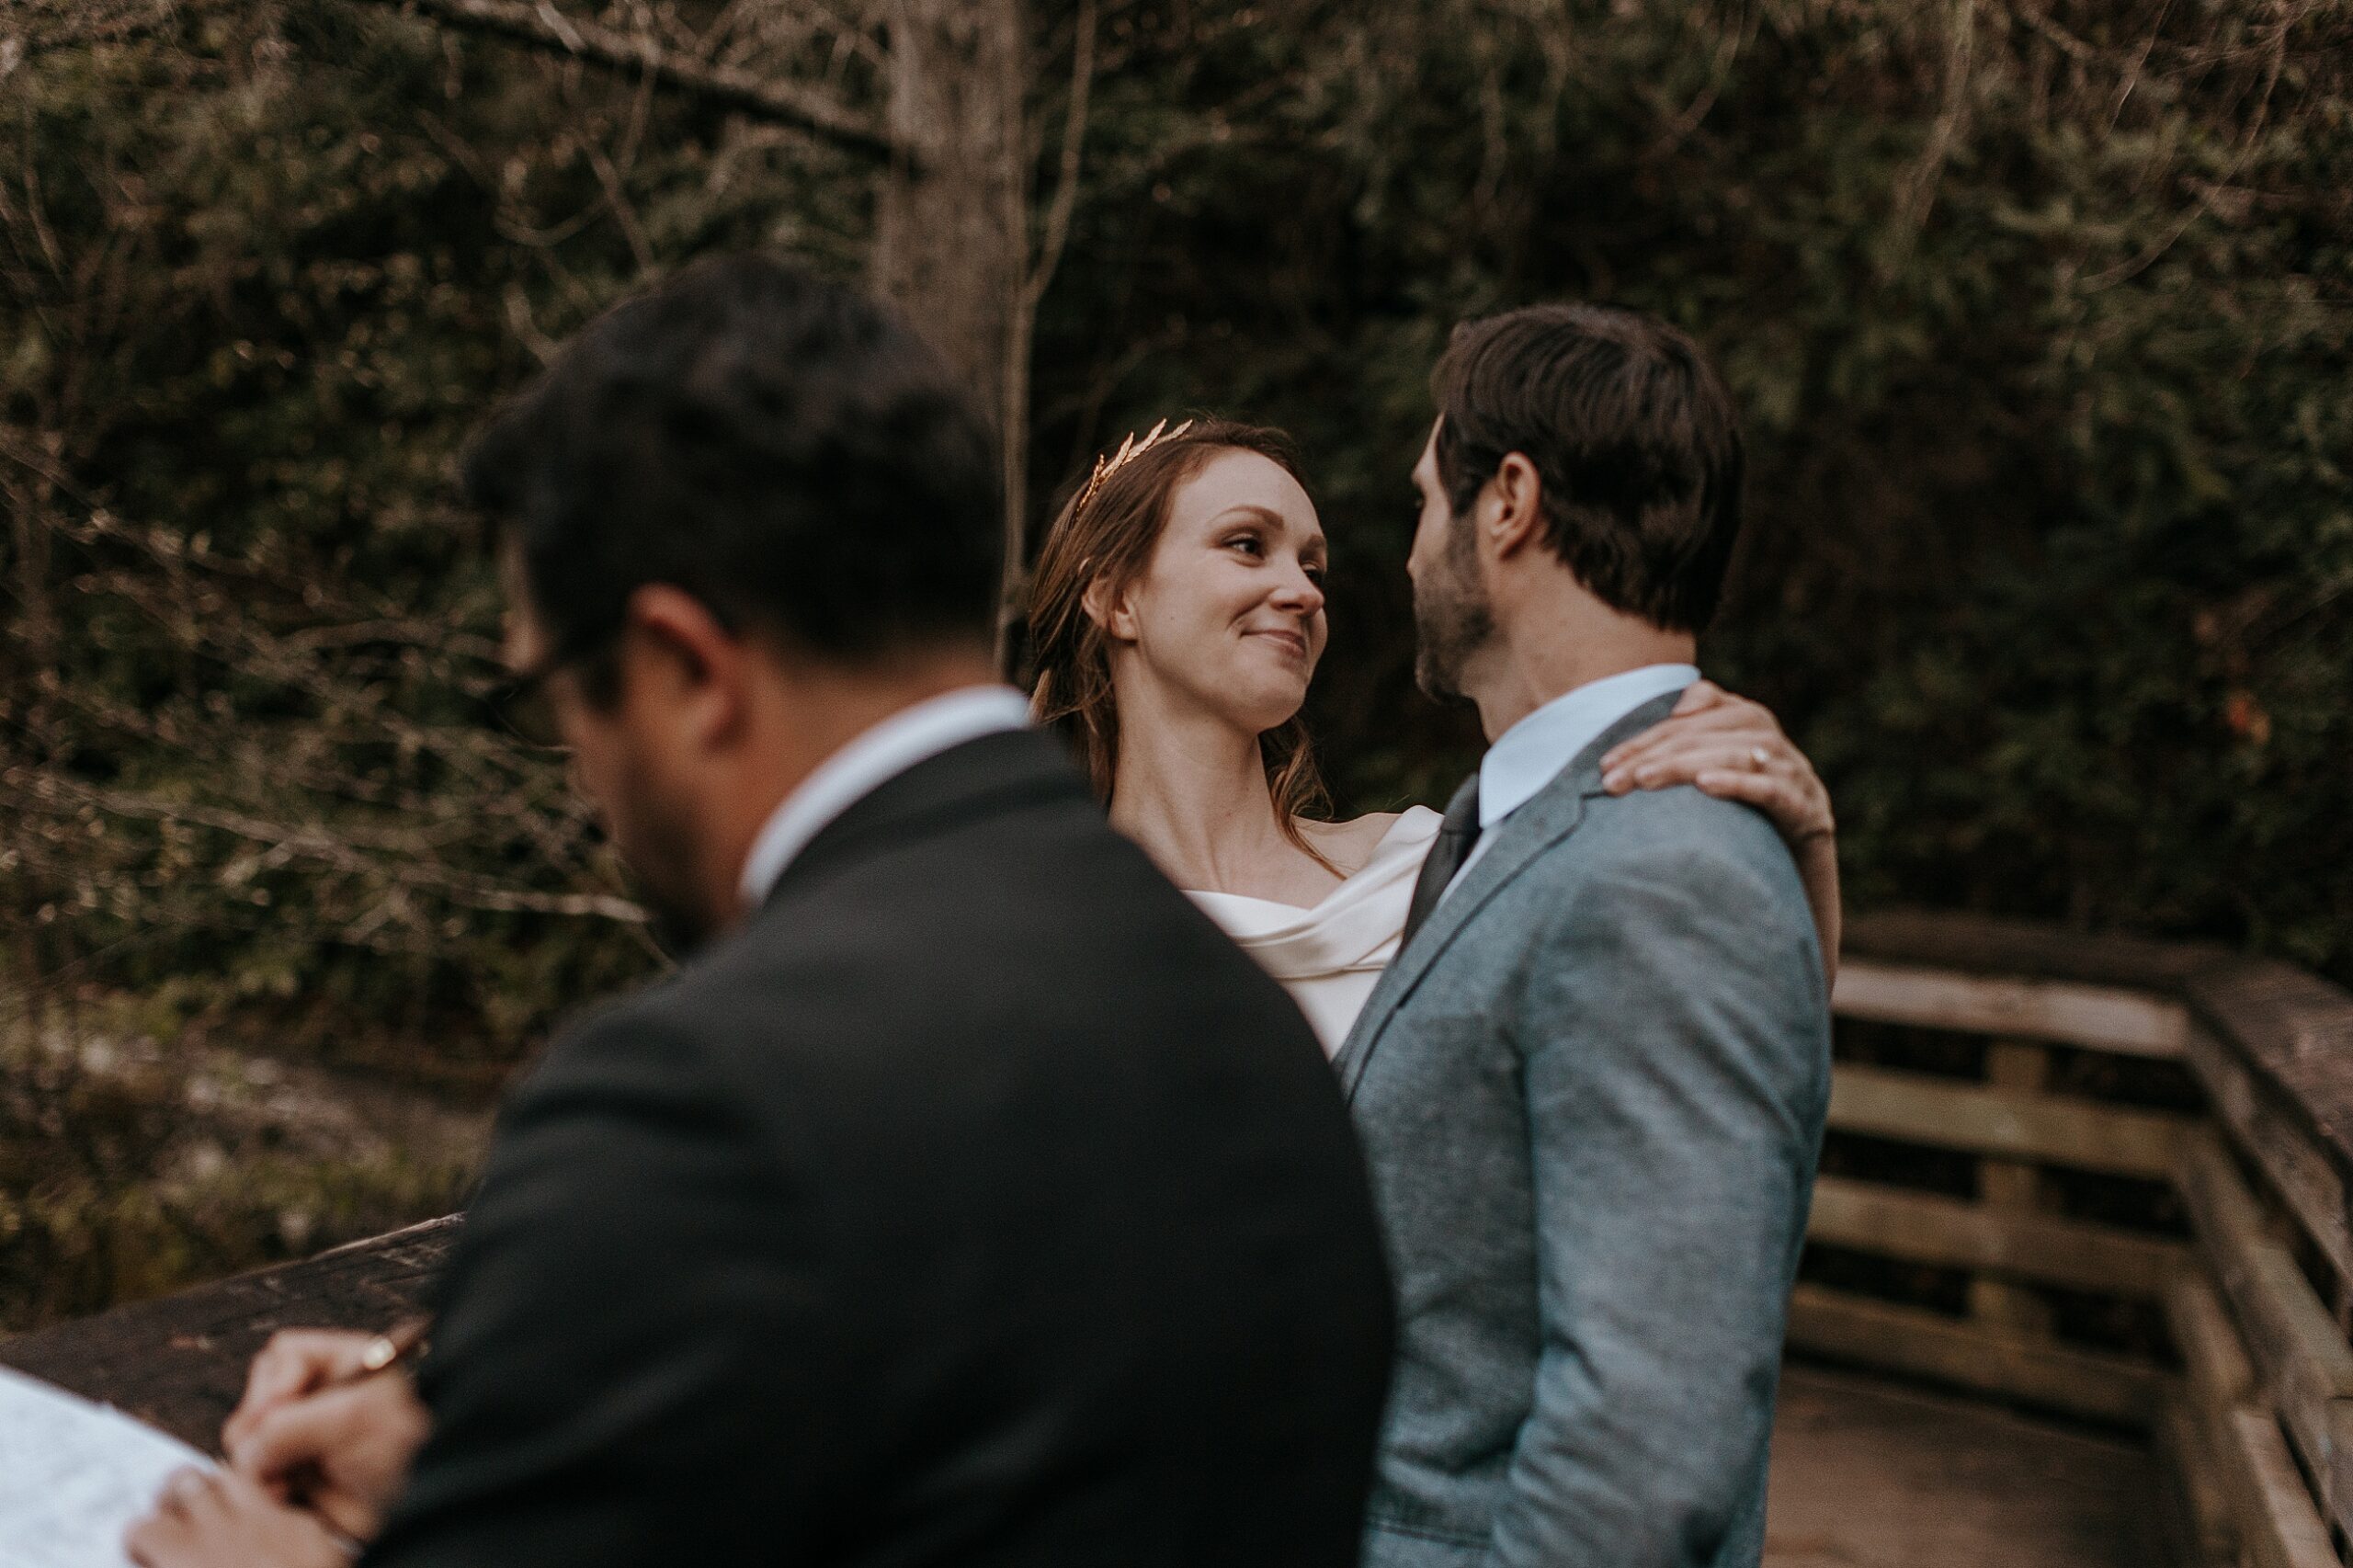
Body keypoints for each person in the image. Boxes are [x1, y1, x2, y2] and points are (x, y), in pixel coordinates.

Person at [126, 255, 1396, 1568]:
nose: (582, 770)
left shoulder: (699, 1101)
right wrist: (512, 1446)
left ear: (682, 665)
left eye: (554, 692)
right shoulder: (1253, 1028)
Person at [1343, 303, 1831, 1566]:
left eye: (1420, 505)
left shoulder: (1665, 870)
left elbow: (1644, 1440)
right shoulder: (1523, 828)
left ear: (1505, 503)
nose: (1407, 556)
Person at [1026, 421, 1835, 1054]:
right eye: (1248, 545)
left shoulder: (1423, 872)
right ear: (1116, 598)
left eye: (1314, 567)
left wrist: (1808, 855)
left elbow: (1711, 1030)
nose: (1301, 591)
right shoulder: (1036, 921)